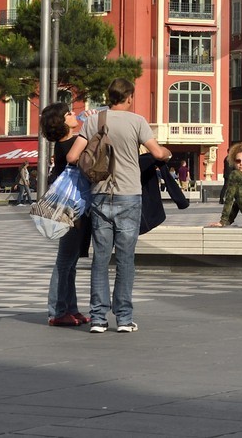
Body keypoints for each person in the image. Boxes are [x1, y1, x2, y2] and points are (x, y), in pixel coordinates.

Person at [84, 78, 171, 333]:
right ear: (129, 97)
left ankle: (97, 319)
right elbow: (157, 153)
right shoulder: (137, 121)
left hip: (99, 195)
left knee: (100, 259)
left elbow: (73, 155)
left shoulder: (94, 121)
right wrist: (167, 153)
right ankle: (123, 319)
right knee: (125, 259)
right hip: (129, 195)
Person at [42, 101, 90, 328]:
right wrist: (90, 124)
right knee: (64, 261)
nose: (74, 115)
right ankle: (57, 310)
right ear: (61, 122)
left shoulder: (67, 143)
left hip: (73, 206)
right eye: (69, 114)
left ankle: (70, 308)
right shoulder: (68, 144)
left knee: (70, 261)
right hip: (70, 207)